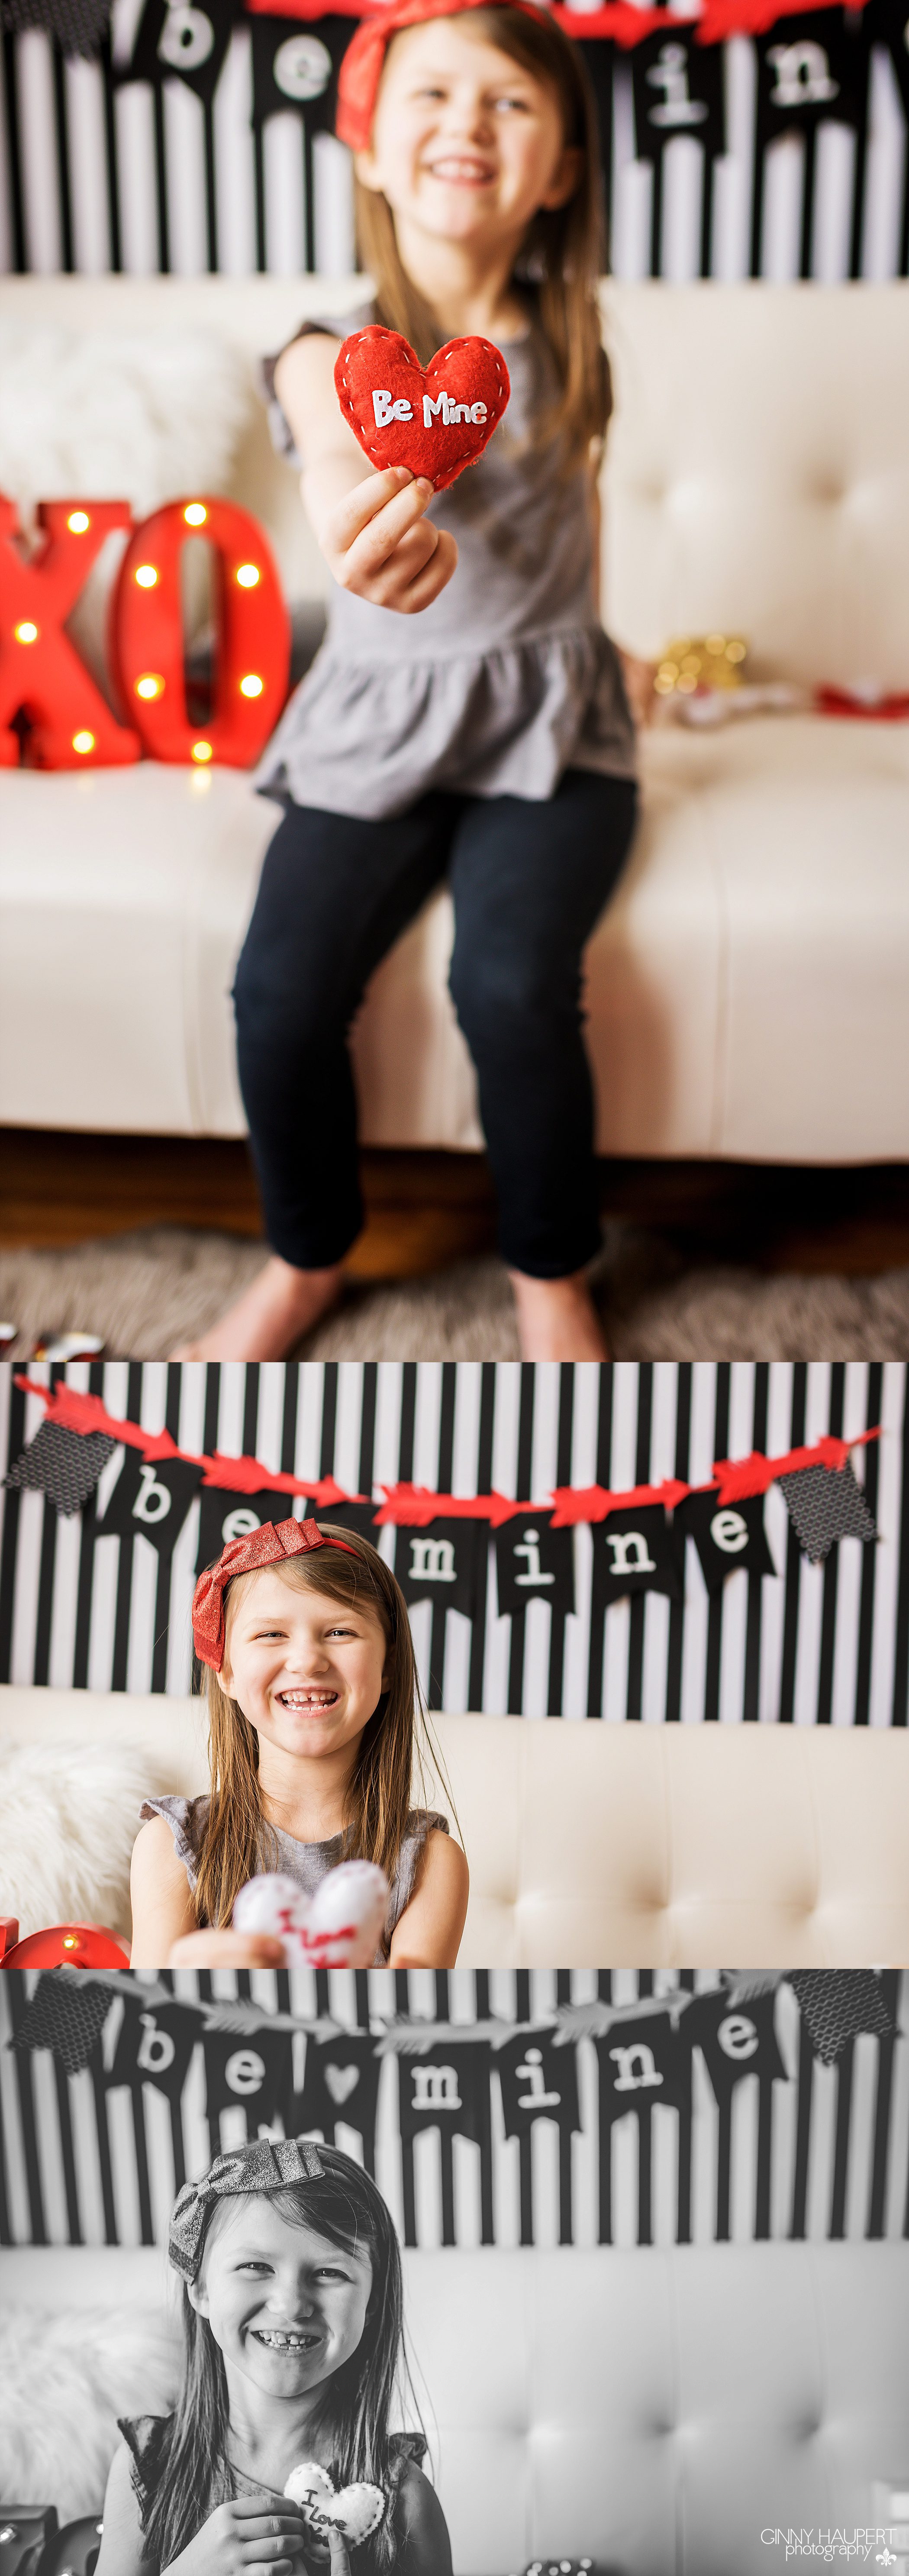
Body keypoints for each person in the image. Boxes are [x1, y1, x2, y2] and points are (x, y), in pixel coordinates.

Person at [179, 0, 648, 1369]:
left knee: (509, 984)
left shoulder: (575, 345)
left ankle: (552, 1273)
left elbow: (581, 526)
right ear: (371, 148)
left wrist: (605, 650)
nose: (469, 126)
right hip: (379, 727)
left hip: (552, 736)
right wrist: (355, 533)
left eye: (511, 102)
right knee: (277, 991)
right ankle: (305, 1255)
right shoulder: (328, 349)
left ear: (559, 165)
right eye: (435, 95)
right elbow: (336, 445)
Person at [95, 2135, 452, 2575]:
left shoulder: (404, 2499)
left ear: (372, 2303)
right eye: (256, 2267)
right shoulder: (149, 2466)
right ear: (201, 2288)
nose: (291, 2305)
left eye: (329, 2273)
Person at [129, 1516, 468, 1971]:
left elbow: (409, 2026)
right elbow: (148, 2022)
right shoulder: (171, 1846)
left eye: (340, 1632)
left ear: (388, 1666)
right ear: (226, 1672)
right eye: (271, 1634)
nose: (307, 1660)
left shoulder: (428, 1861)